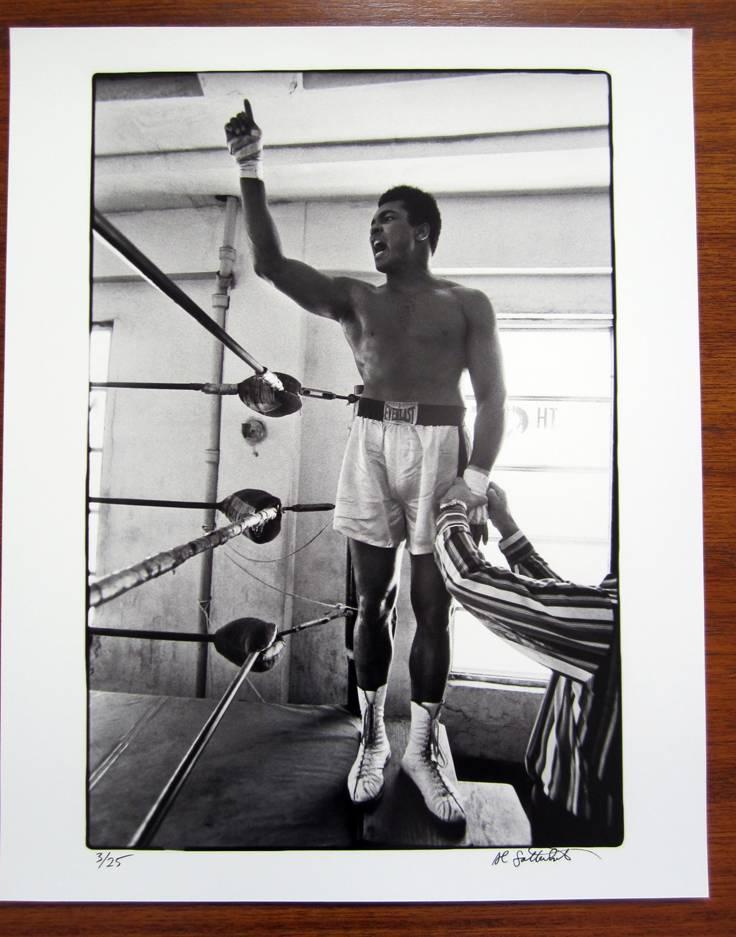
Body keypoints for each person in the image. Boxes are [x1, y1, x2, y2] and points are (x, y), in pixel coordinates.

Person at [225, 101, 506, 826]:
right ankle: (375, 735)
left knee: (433, 606)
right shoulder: (356, 300)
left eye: (386, 218)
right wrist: (250, 164)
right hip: (371, 443)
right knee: (370, 602)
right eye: (372, 221)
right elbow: (273, 264)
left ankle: (422, 745)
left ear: (422, 231)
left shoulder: (467, 302)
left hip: (443, 447)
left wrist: (474, 479)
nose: (374, 230)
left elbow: (495, 392)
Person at [433, 480, 622, 845]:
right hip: (577, 810)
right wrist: (507, 526)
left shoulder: (614, 620)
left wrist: (449, 510)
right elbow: (558, 605)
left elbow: (471, 582)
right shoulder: (626, 611)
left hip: (581, 821)